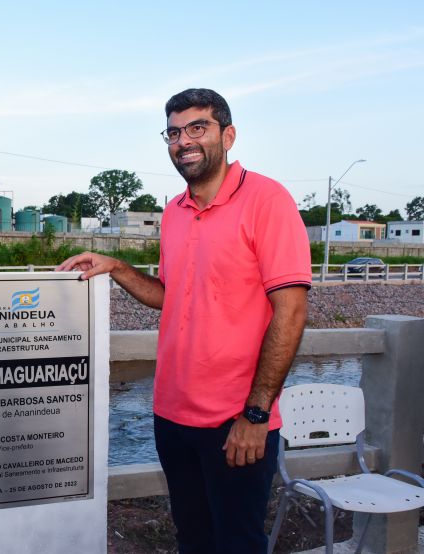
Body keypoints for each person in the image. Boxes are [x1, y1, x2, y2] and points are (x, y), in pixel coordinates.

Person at [58, 88, 310, 553]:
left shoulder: (267, 200)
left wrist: (256, 415)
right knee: (192, 538)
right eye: (173, 131)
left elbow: (291, 312)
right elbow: (173, 297)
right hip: (172, 415)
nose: (183, 140)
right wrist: (116, 267)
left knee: (238, 542)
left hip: (236, 419)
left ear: (227, 135)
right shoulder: (174, 211)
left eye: (198, 127)